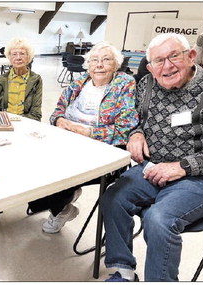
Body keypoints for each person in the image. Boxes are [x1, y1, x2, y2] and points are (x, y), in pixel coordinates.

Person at [101, 33, 203, 282]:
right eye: (159, 61)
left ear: (191, 56)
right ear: (150, 66)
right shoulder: (146, 83)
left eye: (174, 56)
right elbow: (133, 121)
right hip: (151, 167)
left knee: (158, 218)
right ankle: (123, 271)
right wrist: (135, 134)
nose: (167, 66)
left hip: (198, 178)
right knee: (112, 198)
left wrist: (182, 166)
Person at [40, 41, 139, 234]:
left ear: (116, 65)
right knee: (34, 159)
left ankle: (61, 205)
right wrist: (59, 120)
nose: (99, 65)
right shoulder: (81, 81)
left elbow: (125, 130)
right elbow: (57, 110)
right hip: (67, 140)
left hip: (102, 149)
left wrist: (87, 132)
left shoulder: (124, 84)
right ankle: (63, 201)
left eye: (106, 60)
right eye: (94, 60)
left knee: (57, 169)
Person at [0, 37, 42, 121]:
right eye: (14, 54)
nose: (18, 58)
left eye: (22, 54)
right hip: (4, 123)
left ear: (28, 57)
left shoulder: (36, 80)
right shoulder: (1, 80)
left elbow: (36, 114)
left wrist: (17, 122)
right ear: (9, 57)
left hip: (26, 124)